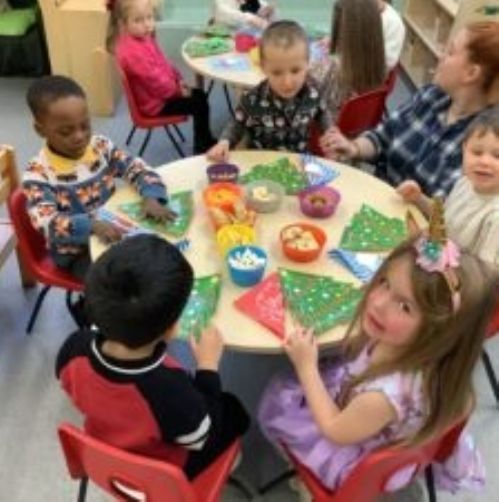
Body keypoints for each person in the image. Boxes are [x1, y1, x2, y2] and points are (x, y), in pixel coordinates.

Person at [258, 208, 498, 493]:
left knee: (280, 394)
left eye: (405, 306)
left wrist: (306, 367)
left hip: (351, 451)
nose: (378, 303)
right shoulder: (428, 353)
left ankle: (308, 486)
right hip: (369, 416)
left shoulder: (381, 398)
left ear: (439, 330)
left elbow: (334, 430)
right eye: (384, 283)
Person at [56, 234, 250, 479]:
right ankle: (227, 464)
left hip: (101, 452)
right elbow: (201, 438)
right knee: (234, 410)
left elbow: (68, 383)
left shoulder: (74, 347)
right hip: (161, 473)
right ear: (173, 329)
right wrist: (208, 366)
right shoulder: (169, 389)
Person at [22, 75, 175, 280]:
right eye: (66, 132)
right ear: (40, 130)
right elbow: (47, 223)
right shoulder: (37, 174)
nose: (79, 136)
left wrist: (151, 196)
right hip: (77, 252)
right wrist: (91, 226)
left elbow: (135, 167)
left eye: (85, 125)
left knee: (163, 254)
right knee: (128, 283)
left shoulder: (99, 146)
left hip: (115, 232)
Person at [321, 21, 499, 196]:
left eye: (450, 52)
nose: (441, 55)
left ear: (471, 73)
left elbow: (447, 209)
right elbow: (382, 137)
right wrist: (353, 147)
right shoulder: (431, 96)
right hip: (378, 199)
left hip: (412, 215)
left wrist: (415, 199)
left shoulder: (483, 140)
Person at [207, 20, 332, 162]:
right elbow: (237, 123)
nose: (287, 82)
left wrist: (329, 132)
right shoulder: (252, 98)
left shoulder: (313, 94)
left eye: (295, 70)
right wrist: (224, 142)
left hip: (298, 164)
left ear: (307, 64)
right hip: (261, 164)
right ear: (263, 68)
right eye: (277, 73)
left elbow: (322, 113)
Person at [110, 0, 216, 154]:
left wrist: (178, 80)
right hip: (156, 105)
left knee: (200, 95)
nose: (147, 24)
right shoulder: (133, 53)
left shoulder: (143, 38)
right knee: (199, 103)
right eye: (138, 20)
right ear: (123, 24)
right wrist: (178, 91)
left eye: (149, 17)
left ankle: (205, 139)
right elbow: (156, 83)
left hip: (161, 94)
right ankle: (202, 147)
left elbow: (163, 63)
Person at [398, 106, 499, 265]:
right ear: (464, 150)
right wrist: (419, 198)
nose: (484, 161)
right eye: (477, 152)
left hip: (456, 277)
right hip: (434, 256)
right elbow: (445, 219)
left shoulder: (495, 216)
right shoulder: (465, 182)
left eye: (497, 156)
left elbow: (486, 273)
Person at [310, 0, 386, 120]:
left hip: (328, 126)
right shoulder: (377, 62)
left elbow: (305, 80)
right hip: (357, 124)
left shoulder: (333, 67)